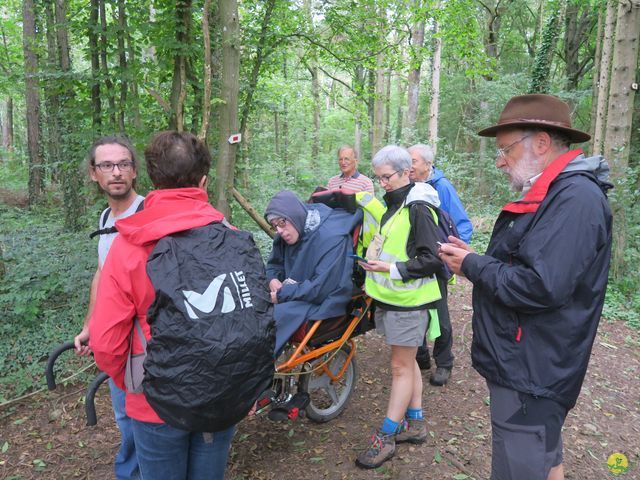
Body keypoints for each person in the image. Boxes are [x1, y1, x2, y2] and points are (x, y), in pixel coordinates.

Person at [439, 94, 612, 480]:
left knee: (519, 467)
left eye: (506, 149)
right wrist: (475, 260)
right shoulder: (554, 193)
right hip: (526, 360)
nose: (500, 160)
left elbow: (540, 286)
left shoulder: (575, 198)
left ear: (542, 143)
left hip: (533, 370)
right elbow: (530, 265)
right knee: (543, 457)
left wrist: (472, 264)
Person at [89, 131, 236, 480]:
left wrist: (133, 386)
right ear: (203, 180)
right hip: (221, 388)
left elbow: (107, 344)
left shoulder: (129, 246)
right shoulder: (230, 234)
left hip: (157, 398)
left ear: (152, 179)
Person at [355, 145, 444, 469]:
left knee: (400, 368)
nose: (382, 183)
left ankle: (386, 437)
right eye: (378, 178)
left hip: (409, 302)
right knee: (407, 365)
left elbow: (432, 259)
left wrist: (390, 269)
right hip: (393, 300)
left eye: (387, 177)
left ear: (407, 172)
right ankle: (416, 423)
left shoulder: (418, 207)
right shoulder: (395, 204)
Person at [74, 136, 143, 480]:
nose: (116, 172)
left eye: (123, 164)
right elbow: (102, 274)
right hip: (117, 342)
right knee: (124, 416)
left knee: (141, 417)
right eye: (107, 165)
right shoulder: (105, 216)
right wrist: (91, 325)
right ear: (93, 174)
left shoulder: (148, 213)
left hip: (145, 343)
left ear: (134, 171)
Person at [408, 143, 473, 385]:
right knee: (416, 310)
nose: (409, 166)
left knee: (439, 314)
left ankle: (444, 362)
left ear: (427, 164)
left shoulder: (442, 187)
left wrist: (450, 253)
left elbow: (463, 225)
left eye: (413, 161)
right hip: (415, 262)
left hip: (436, 262)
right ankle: (421, 354)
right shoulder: (409, 187)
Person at [265, 190, 361, 354]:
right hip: (296, 293)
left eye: (281, 223)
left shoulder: (331, 237)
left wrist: (282, 295)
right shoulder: (286, 233)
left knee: (270, 319)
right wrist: (272, 279)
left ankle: (259, 369)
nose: (279, 230)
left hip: (324, 300)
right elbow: (274, 265)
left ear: (294, 215)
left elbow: (322, 288)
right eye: (274, 226)